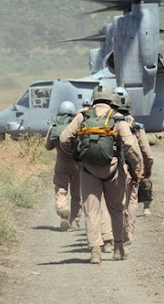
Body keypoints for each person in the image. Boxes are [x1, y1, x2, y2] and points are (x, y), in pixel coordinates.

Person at [60, 81, 143, 264]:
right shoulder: (117, 118)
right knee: (116, 209)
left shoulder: (82, 117)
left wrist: (74, 154)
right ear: (111, 99)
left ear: (94, 100)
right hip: (113, 169)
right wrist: (137, 167)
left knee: (92, 211)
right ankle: (118, 248)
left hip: (88, 169)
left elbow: (64, 138)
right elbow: (130, 145)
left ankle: (95, 251)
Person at [113, 93, 154, 244]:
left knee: (116, 201)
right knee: (132, 200)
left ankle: (114, 233)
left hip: (114, 168)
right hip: (133, 169)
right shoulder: (136, 125)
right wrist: (146, 170)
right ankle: (129, 232)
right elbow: (148, 154)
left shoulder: (111, 122)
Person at [44, 101, 82, 231]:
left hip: (61, 162)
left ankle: (63, 212)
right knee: (77, 193)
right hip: (77, 162)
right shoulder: (78, 124)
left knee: (61, 189)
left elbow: (48, 146)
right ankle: (75, 221)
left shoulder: (54, 124)